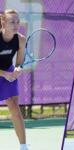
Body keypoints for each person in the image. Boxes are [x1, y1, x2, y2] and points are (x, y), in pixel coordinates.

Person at [0, 9, 28, 150]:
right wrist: (4, 73)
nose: (16, 24)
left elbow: (19, 62)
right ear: (3, 22)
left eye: (17, 21)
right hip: (2, 73)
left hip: (7, 71)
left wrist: (18, 70)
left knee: (14, 107)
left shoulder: (21, 39)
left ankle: (23, 147)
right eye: (12, 21)